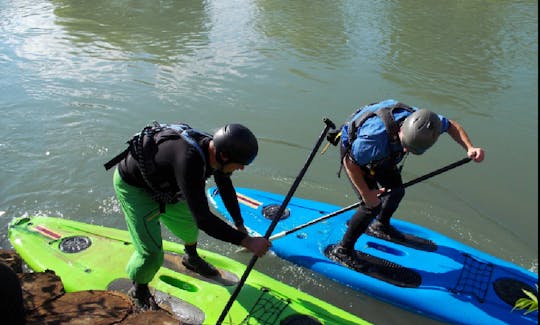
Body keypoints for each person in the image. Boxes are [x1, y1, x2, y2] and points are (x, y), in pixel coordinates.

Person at [105, 122, 272, 310]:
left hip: (166, 185)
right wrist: (247, 241)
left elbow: (224, 186)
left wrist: (239, 224)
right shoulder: (189, 160)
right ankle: (139, 289)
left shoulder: (216, 151)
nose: (242, 168)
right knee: (151, 253)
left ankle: (191, 258)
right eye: (240, 164)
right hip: (135, 187)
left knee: (189, 223)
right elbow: (204, 219)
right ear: (224, 156)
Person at [327, 99, 485, 264]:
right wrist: (366, 194)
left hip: (386, 151)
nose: (405, 151)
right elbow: (350, 163)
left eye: (410, 149)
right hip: (358, 157)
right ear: (402, 129)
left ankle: (380, 225)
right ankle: (343, 250)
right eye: (406, 145)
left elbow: (451, 125)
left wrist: (470, 147)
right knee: (371, 205)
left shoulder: (427, 122)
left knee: (396, 191)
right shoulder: (372, 138)